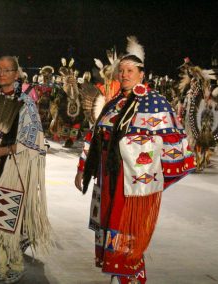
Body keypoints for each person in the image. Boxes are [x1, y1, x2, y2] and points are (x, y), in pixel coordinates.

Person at [75, 36, 196, 283]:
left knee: (129, 236)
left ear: (142, 74)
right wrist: (82, 168)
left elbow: (177, 144)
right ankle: (118, 279)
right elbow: (93, 136)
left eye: (130, 70)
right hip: (109, 179)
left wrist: (152, 177)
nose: (125, 74)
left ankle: (129, 279)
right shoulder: (113, 104)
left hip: (134, 186)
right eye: (121, 71)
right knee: (111, 232)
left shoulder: (155, 103)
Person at [0, 56, 50, 283]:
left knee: (5, 220)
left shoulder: (26, 104)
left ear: (17, 74)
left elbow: (34, 142)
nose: (2, 74)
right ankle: (3, 268)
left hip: (13, 168)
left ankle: (14, 265)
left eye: (7, 70)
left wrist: (1, 151)